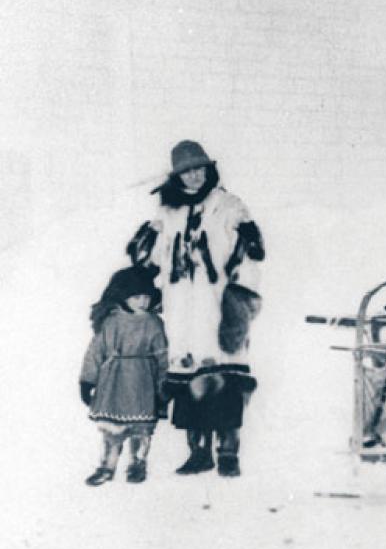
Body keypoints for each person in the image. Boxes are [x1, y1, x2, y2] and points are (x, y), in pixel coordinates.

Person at [126, 140, 265, 477]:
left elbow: (250, 257)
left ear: (208, 169)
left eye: (199, 168)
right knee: (188, 380)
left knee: (225, 379)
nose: (194, 176)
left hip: (218, 309)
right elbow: (152, 260)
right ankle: (198, 452)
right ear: (177, 176)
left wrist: (239, 301)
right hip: (182, 313)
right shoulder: (168, 212)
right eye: (186, 172)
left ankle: (228, 453)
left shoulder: (229, 206)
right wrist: (146, 243)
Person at [79, 266, 168, 486]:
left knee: (141, 428)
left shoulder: (154, 323)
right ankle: (107, 466)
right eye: (136, 297)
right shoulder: (111, 322)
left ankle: (137, 464)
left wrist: (165, 385)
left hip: (142, 382)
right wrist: (87, 380)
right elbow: (95, 351)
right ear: (124, 297)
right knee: (112, 429)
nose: (142, 302)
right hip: (115, 382)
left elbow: (162, 356)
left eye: (146, 297)